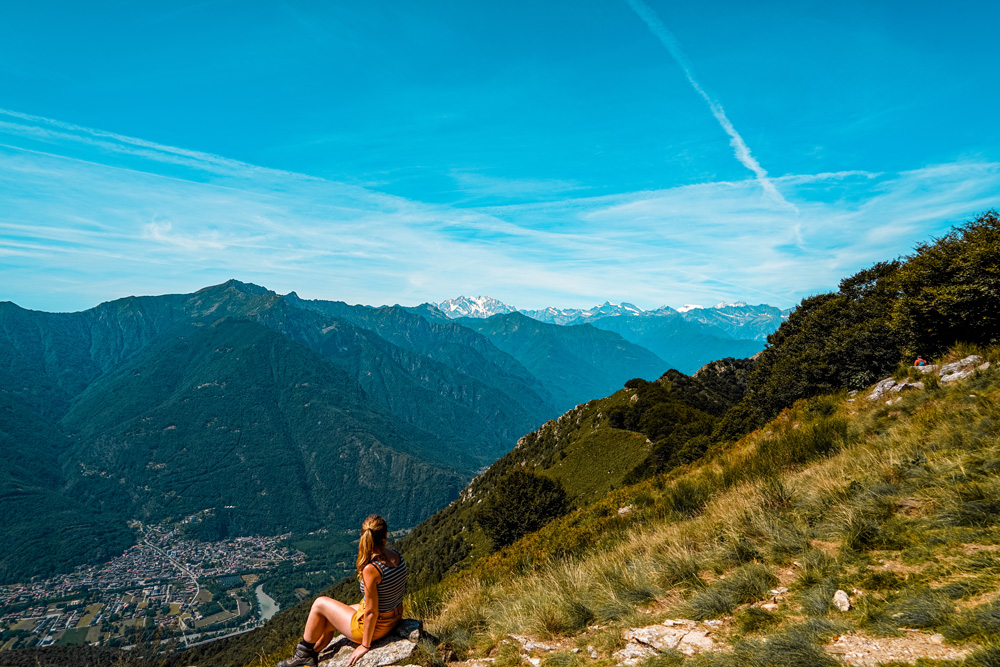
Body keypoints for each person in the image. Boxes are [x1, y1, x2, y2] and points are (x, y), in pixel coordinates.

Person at [279, 515, 407, 667]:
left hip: (376, 628)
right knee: (327, 620)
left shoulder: (372, 569)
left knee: (319, 604)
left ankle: (302, 655)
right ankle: (311, 654)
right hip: (393, 619)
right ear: (385, 535)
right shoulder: (397, 556)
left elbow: (372, 612)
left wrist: (365, 645)